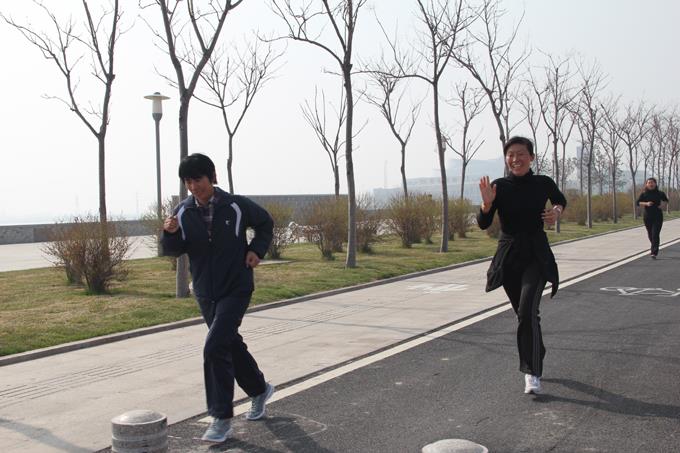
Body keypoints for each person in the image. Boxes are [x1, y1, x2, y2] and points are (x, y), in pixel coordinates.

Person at [162, 153, 275, 443]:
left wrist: (256, 250)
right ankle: (260, 389)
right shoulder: (183, 211)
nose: (193, 187)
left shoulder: (236, 205)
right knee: (228, 344)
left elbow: (265, 223)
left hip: (236, 286)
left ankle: (221, 419)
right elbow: (174, 250)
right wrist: (169, 234)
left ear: (212, 177)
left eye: (197, 179)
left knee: (214, 347)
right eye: (188, 182)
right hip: (205, 292)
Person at [477, 136, 567, 395]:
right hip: (509, 258)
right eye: (511, 155)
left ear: (532, 157)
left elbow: (560, 200)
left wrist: (556, 212)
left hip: (536, 254)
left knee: (528, 312)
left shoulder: (543, 183)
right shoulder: (499, 186)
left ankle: (532, 371)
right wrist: (486, 204)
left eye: (521, 154)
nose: (515, 159)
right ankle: (536, 349)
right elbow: (483, 223)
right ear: (506, 159)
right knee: (523, 315)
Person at [636, 177, 668, 259]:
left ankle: (654, 252)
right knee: (650, 234)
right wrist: (646, 203)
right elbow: (638, 203)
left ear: (655, 184)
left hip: (658, 216)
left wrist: (662, 205)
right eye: (649, 182)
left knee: (655, 234)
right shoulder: (644, 194)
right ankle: (654, 245)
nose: (651, 184)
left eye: (652, 182)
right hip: (647, 216)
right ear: (646, 184)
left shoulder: (660, 193)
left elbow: (666, 201)